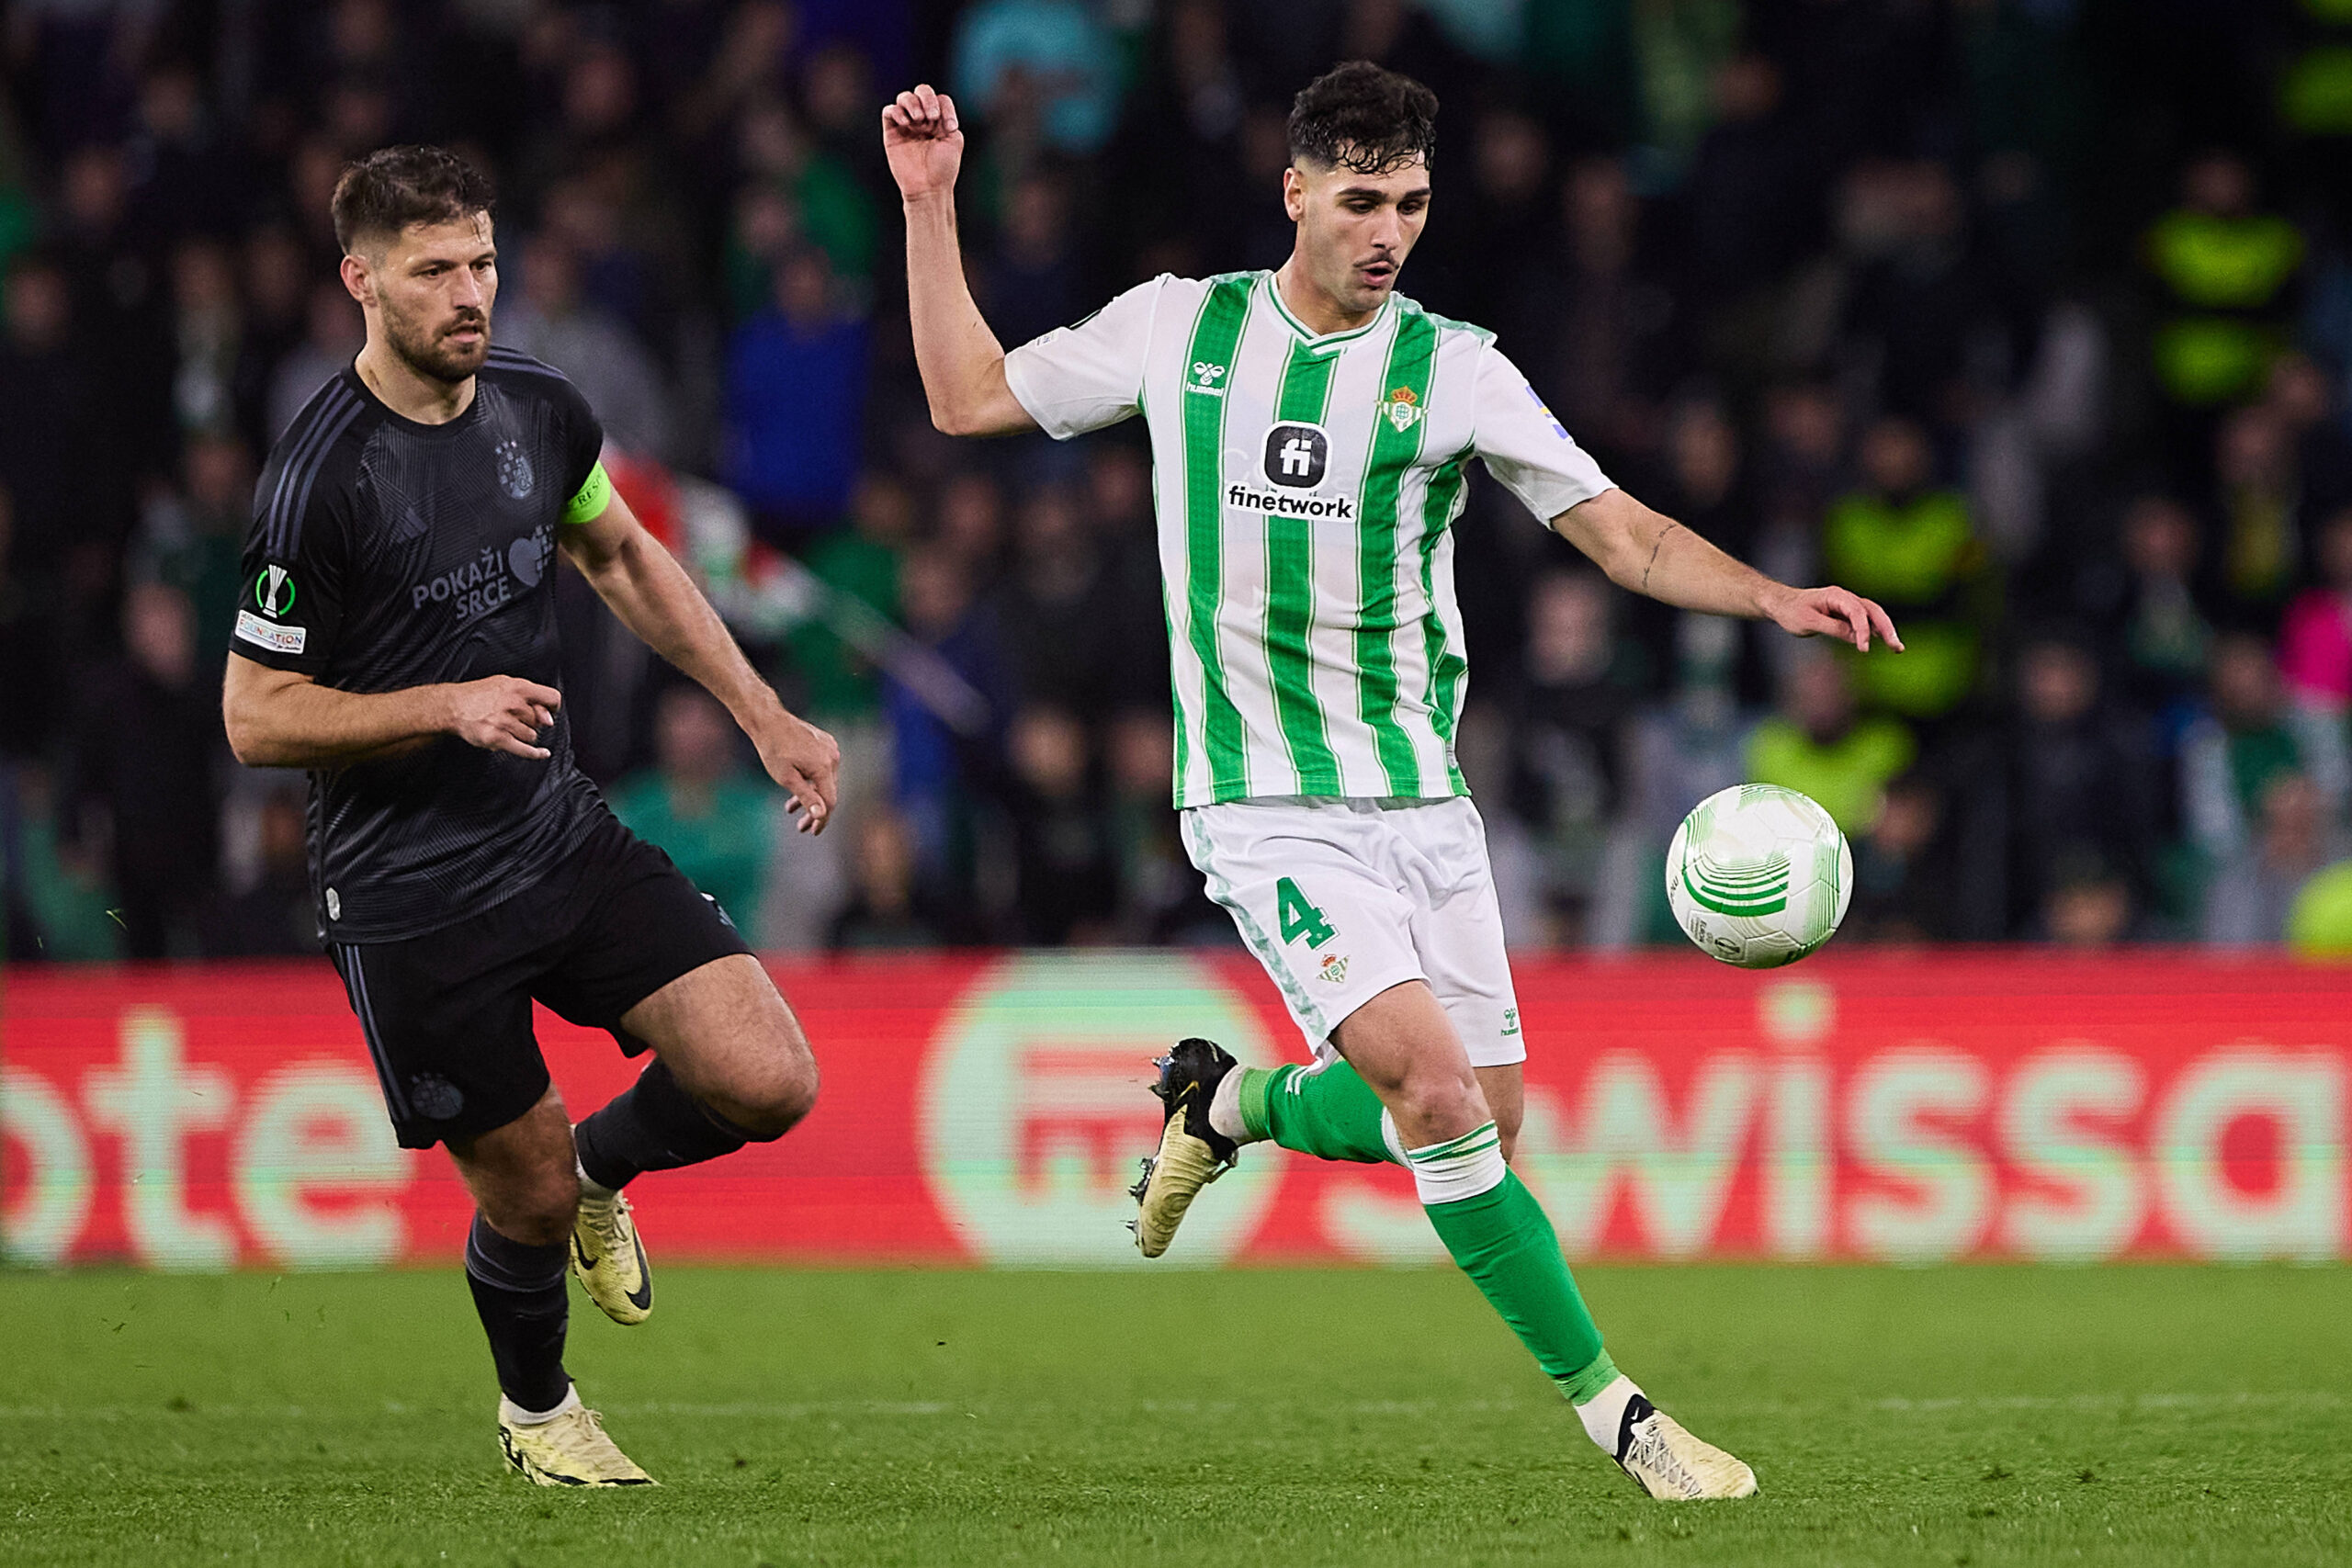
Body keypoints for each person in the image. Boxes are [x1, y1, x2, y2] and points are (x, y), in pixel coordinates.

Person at [884, 63, 1901, 1502]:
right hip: (1259, 799)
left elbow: (1620, 534)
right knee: (1434, 1095)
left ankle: (1223, 1104)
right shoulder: (1186, 326)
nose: (1389, 232)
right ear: (1294, 190)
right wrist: (932, 207)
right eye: (1362, 200)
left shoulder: (1459, 368)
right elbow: (966, 397)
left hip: (1422, 797)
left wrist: (1770, 597)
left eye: (1412, 203)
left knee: (1489, 1109)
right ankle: (1624, 1418)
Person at [220, 147, 840, 1488]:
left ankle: (614, 1173)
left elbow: (617, 550)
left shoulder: (540, 411)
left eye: (483, 263)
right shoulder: (318, 478)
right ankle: (539, 1412)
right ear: (361, 281)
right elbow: (255, 714)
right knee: (525, 1187)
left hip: (553, 831)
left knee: (767, 1077)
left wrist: (760, 711)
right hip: (408, 892)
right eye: (435, 270)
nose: (470, 294)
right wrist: (438, 705)